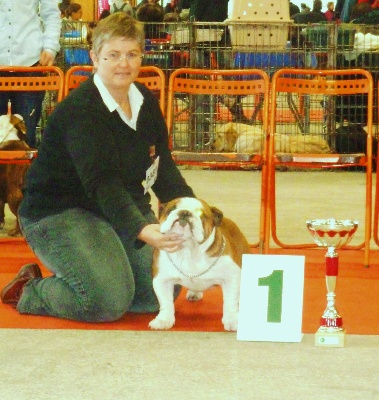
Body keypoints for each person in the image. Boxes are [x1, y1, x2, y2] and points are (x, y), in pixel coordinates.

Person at [0, 13, 196, 322]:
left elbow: (162, 166)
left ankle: (105, 265)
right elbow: (102, 183)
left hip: (116, 206)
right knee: (106, 302)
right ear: (94, 57)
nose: (124, 64)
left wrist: (194, 210)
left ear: (142, 56)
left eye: (132, 54)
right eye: (113, 55)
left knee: (159, 293)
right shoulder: (81, 111)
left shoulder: (146, 100)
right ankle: (30, 289)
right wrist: (143, 229)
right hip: (59, 213)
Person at [0, 0, 61, 148]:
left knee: (27, 137)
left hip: (30, 63)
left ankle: (26, 171)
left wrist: (50, 48)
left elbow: (52, 13)